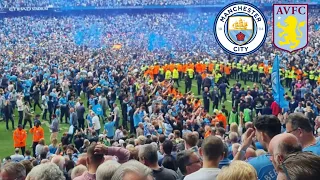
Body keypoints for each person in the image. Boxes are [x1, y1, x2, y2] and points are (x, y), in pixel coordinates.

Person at [234, 115, 281, 180]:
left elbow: (229, 173)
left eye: (256, 133)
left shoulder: (253, 165)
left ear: (262, 135)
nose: (255, 135)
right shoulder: (295, 156)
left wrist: (243, 147)